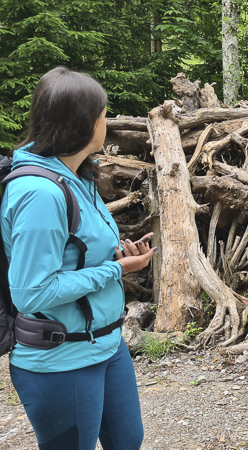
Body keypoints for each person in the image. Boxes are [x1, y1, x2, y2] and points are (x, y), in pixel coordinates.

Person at [1, 67, 156, 449]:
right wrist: (116, 269)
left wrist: (118, 254)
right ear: (83, 124)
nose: (108, 122)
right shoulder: (40, 193)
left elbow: (76, 253)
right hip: (58, 358)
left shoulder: (80, 178)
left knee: (127, 441)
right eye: (104, 115)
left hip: (106, 345)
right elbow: (32, 293)